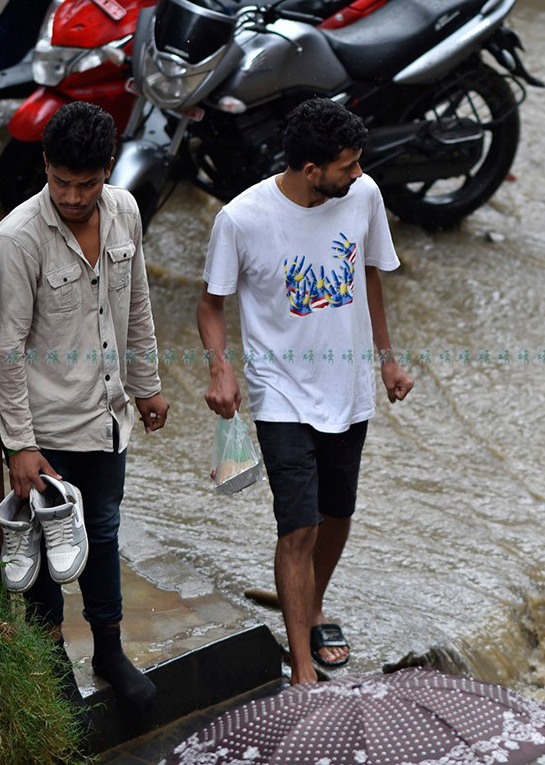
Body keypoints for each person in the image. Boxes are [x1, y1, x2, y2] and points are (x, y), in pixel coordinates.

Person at [197, 97, 413, 684]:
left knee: (337, 511)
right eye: (348, 165)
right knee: (298, 527)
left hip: (349, 387)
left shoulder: (363, 198)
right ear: (311, 169)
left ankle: (312, 606)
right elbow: (211, 305)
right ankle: (301, 669)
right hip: (280, 392)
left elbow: (368, 272)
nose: (360, 174)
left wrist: (388, 361)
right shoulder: (242, 220)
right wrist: (220, 367)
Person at [0, 101, 168, 717]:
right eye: (60, 181)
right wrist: (19, 445)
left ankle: (110, 652)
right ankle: (49, 659)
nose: (71, 195)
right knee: (42, 550)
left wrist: (147, 387)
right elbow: (8, 349)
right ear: (44, 166)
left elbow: (137, 302)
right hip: (47, 429)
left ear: (106, 171)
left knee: (104, 532)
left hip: (108, 417)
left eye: (85, 184)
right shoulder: (16, 240)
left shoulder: (125, 211)